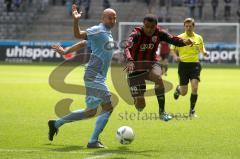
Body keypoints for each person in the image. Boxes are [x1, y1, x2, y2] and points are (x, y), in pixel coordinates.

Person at [48, 4, 117, 148]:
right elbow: (79, 35)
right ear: (103, 18)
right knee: (108, 106)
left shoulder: (106, 33)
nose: (112, 21)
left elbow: (83, 43)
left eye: (114, 18)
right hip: (94, 75)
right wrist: (76, 20)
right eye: (110, 18)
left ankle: (56, 123)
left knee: (90, 111)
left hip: (96, 76)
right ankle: (93, 141)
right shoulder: (98, 30)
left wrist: (66, 50)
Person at [124, 14, 194, 121]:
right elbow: (127, 47)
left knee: (158, 78)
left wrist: (184, 42)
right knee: (140, 106)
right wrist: (129, 60)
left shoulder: (160, 33)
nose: (149, 29)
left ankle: (162, 112)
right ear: (143, 25)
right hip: (136, 67)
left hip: (151, 64)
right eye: (147, 26)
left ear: (156, 26)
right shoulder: (136, 34)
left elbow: (173, 40)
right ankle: (135, 94)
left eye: (152, 27)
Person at [171, 18, 209, 118]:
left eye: (190, 26)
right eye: (186, 26)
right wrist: (175, 57)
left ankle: (191, 111)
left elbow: (201, 48)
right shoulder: (179, 37)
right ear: (184, 26)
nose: (188, 28)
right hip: (183, 65)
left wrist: (204, 52)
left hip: (195, 65)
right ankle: (178, 89)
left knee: (195, 88)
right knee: (184, 92)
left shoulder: (198, 37)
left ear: (193, 26)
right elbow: (172, 49)